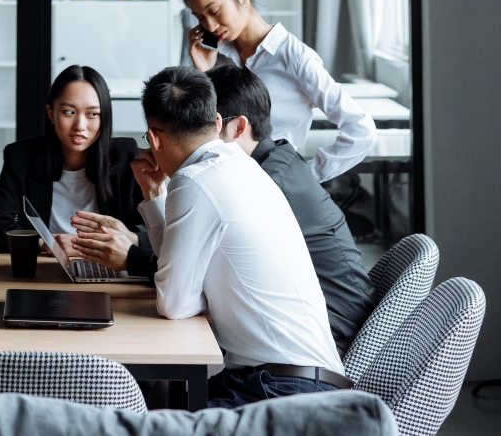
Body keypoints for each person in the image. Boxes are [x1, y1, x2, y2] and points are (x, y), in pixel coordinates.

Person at [134, 65, 350, 408]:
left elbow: (174, 303)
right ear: (218, 124)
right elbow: (177, 286)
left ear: (155, 137)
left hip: (283, 392)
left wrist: (197, 299)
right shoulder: (244, 165)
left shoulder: (194, 181)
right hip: (307, 381)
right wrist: (154, 194)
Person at [208, 65, 377, 352]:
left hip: (329, 338)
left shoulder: (267, 182)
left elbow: (208, 255)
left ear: (238, 127)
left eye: (205, 127)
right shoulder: (274, 162)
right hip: (320, 323)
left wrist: (136, 254)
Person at [184, 0, 376, 182]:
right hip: (225, 182)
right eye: (200, 17)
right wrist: (205, 73)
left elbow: (362, 130)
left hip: (275, 188)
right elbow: (204, 133)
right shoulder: (215, 57)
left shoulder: (295, 58)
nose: (209, 24)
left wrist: (305, 176)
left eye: (214, 11)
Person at [0, 64, 143, 255]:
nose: (80, 126)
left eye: (92, 114)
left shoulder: (126, 156)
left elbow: (152, 233)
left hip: (109, 266)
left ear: (104, 118)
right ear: (51, 113)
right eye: (69, 112)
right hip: (46, 265)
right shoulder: (21, 157)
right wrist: (48, 244)